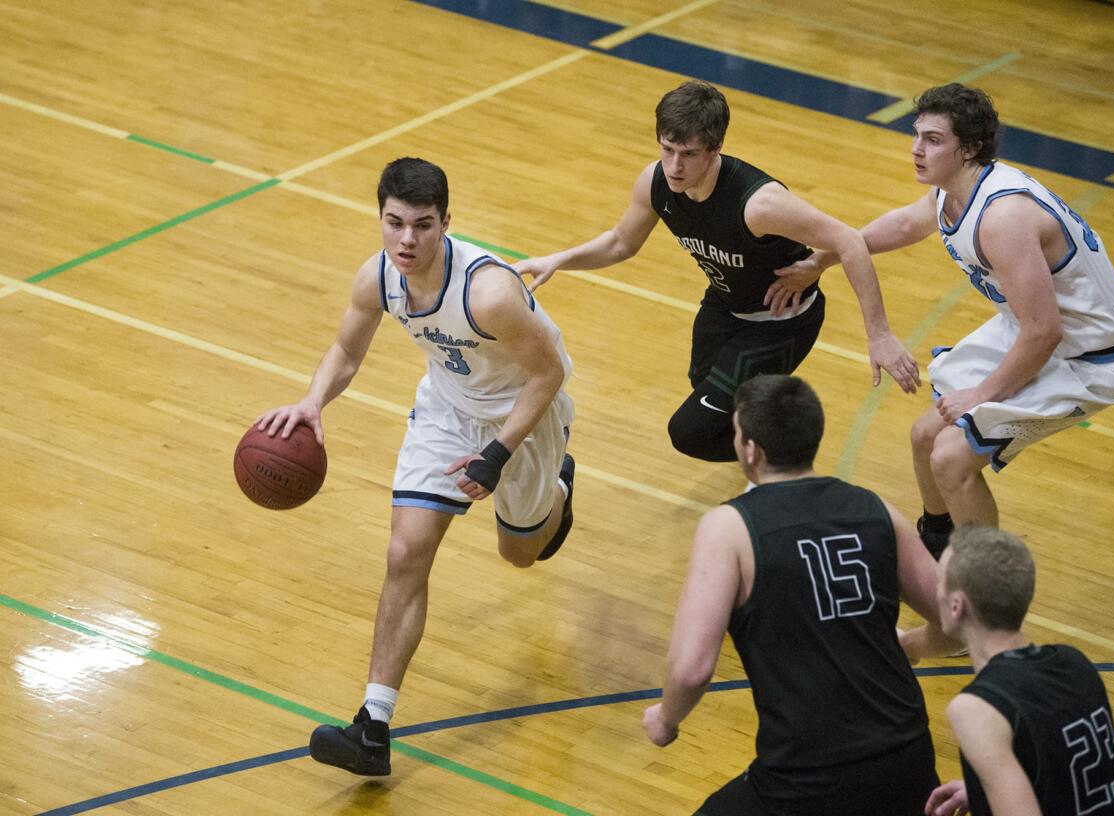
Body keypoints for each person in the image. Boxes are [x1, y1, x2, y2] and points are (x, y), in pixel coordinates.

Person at [255, 157, 577, 776]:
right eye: (395, 222)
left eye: (423, 226)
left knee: (521, 555)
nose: (407, 240)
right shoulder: (377, 278)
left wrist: (498, 454)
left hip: (524, 417)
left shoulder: (489, 292)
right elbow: (348, 348)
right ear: (379, 217)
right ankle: (373, 727)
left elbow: (548, 375)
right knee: (405, 554)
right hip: (446, 412)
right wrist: (312, 401)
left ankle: (560, 486)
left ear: (446, 223)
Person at [769, 83, 1114, 558]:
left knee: (950, 460)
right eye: (916, 134)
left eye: (933, 139)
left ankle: (986, 590)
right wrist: (823, 259)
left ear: (969, 149)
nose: (916, 148)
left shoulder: (1002, 218)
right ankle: (938, 539)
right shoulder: (954, 192)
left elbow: (1044, 333)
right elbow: (903, 225)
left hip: (1091, 359)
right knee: (925, 437)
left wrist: (981, 394)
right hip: (1038, 330)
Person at [515, 80, 919, 464]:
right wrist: (559, 260)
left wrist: (877, 331)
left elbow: (849, 240)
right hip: (724, 307)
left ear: (715, 148)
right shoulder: (655, 182)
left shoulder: (759, 204)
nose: (674, 166)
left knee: (691, 431)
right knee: (708, 393)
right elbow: (622, 242)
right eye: (667, 149)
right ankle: (768, 434)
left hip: (780, 320)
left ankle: (784, 462)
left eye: (688, 154)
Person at [642, 374, 944, 815]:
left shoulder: (729, 528)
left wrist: (666, 719)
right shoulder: (876, 509)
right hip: (908, 761)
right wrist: (912, 644)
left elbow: (691, 669)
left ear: (751, 450)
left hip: (809, 777)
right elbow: (961, 619)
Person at [905, 526, 1114, 816]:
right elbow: (1105, 782)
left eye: (939, 582)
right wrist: (989, 788)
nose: (935, 591)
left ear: (955, 606)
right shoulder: (1075, 664)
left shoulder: (976, 709)